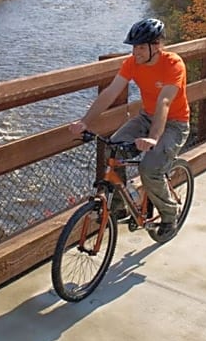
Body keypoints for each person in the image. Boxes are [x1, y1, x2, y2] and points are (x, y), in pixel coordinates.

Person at [69, 18, 190, 239]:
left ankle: (170, 214)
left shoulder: (173, 65)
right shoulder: (132, 63)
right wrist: (85, 121)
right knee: (113, 147)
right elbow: (110, 93)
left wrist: (153, 138)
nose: (136, 52)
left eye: (142, 47)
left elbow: (164, 102)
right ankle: (119, 205)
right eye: (134, 47)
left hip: (174, 123)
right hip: (146, 117)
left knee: (149, 169)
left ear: (157, 46)